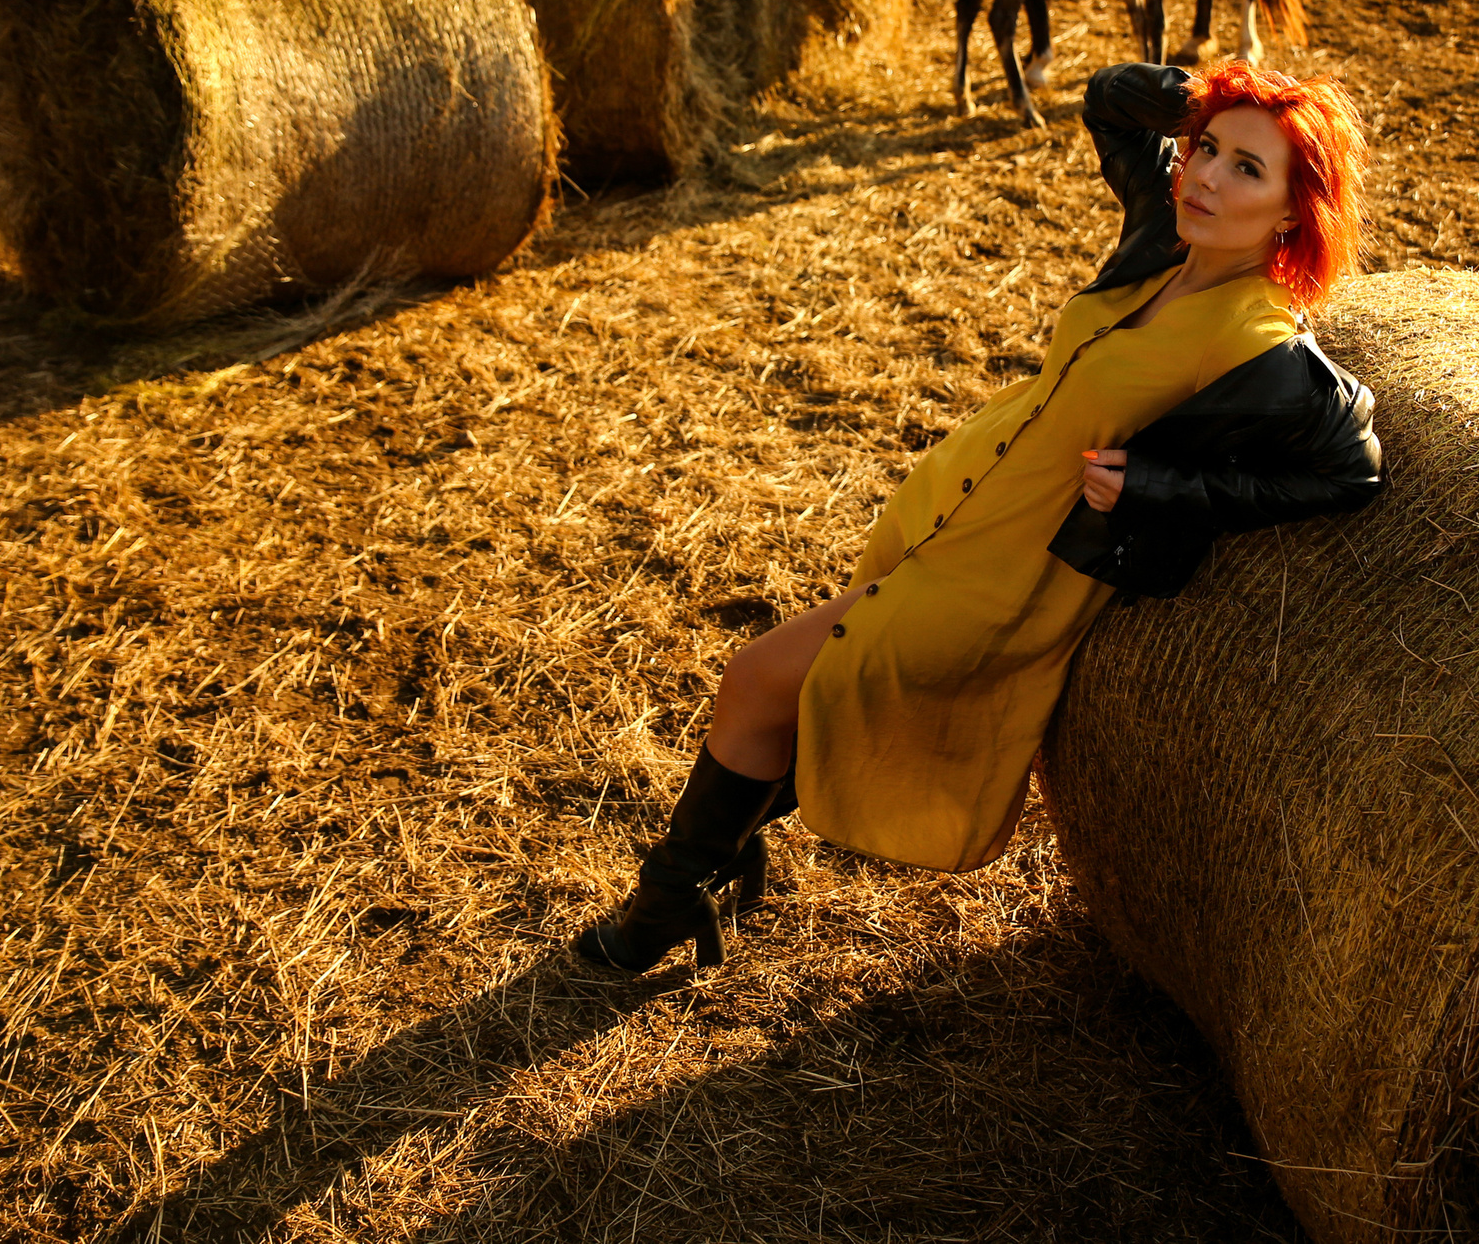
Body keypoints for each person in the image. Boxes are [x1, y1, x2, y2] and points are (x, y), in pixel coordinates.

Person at [574, 59, 1385, 973]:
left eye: (1248, 169)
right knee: (812, 688)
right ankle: (718, 866)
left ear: (1291, 211)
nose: (1202, 176)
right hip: (949, 501)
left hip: (1008, 575)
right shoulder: (1165, 238)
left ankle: (663, 906)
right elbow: (1109, 104)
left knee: (758, 681)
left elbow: (1350, 470)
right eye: (1206, 150)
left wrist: (1164, 488)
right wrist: (1215, 95)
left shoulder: (1262, 342)